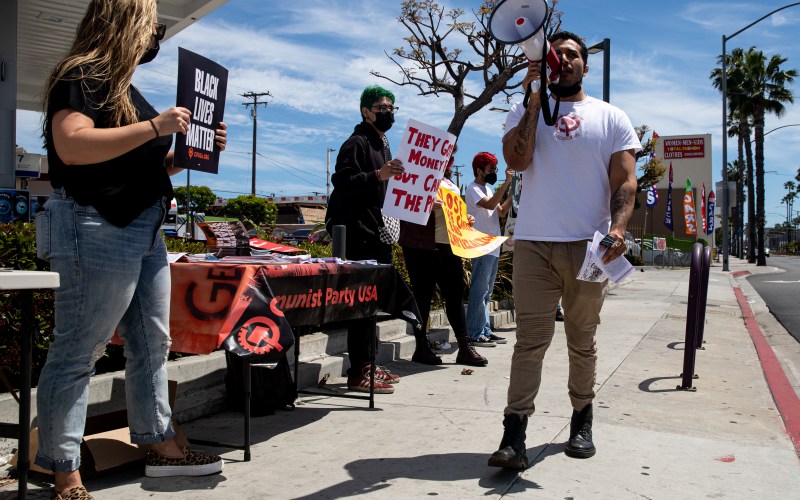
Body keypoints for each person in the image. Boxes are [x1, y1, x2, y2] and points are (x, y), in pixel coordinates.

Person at [35, 1, 227, 498]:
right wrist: (156, 128)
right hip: (94, 224)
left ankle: (159, 443)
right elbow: (72, 145)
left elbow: (140, 167)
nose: (156, 36)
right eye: (152, 25)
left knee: (152, 342)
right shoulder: (82, 75)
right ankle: (64, 470)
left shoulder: (127, 91)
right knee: (81, 347)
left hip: (143, 229)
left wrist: (191, 152)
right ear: (125, 21)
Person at [488, 31, 640, 469]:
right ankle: (513, 433)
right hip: (535, 242)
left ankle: (581, 418)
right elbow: (516, 161)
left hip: (590, 249)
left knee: (581, 342)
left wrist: (618, 228)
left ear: (585, 66)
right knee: (529, 343)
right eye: (558, 56)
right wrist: (534, 100)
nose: (566, 61)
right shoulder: (524, 110)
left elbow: (625, 181)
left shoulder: (611, 117)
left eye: (573, 55)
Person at [325, 85, 439, 394]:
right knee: (361, 307)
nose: (387, 113)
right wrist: (378, 175)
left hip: (378, 235)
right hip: (358, 236)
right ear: (365, 111)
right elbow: (342, 182)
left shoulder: (384, 144)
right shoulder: (357, 143)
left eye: (391, 108)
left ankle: (368, 365)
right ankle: (358, 370)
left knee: (371, 307)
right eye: (381, 108)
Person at [399, 153, 488, 368]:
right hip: (422, 245)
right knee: (423, 296)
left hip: (449, 245)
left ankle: (464, 347)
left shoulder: (449, 181)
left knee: (455, 294)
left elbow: (452, 209)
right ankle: (421, 347)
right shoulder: (416, 178)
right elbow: (401, 204)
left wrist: (464, 219)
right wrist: (424, 205)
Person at [465, 152, 513, 347]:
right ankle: (474, 333)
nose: (494, 172)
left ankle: (484, 330)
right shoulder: (473, 189)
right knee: (479, 289)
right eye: (491, 169)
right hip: (481, 244)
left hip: (492, 246)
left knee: (487, 292)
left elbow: (500, 212)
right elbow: (492, 205)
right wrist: (508, 182)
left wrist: (512, 194)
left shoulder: (488, 189)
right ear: (479, 170)